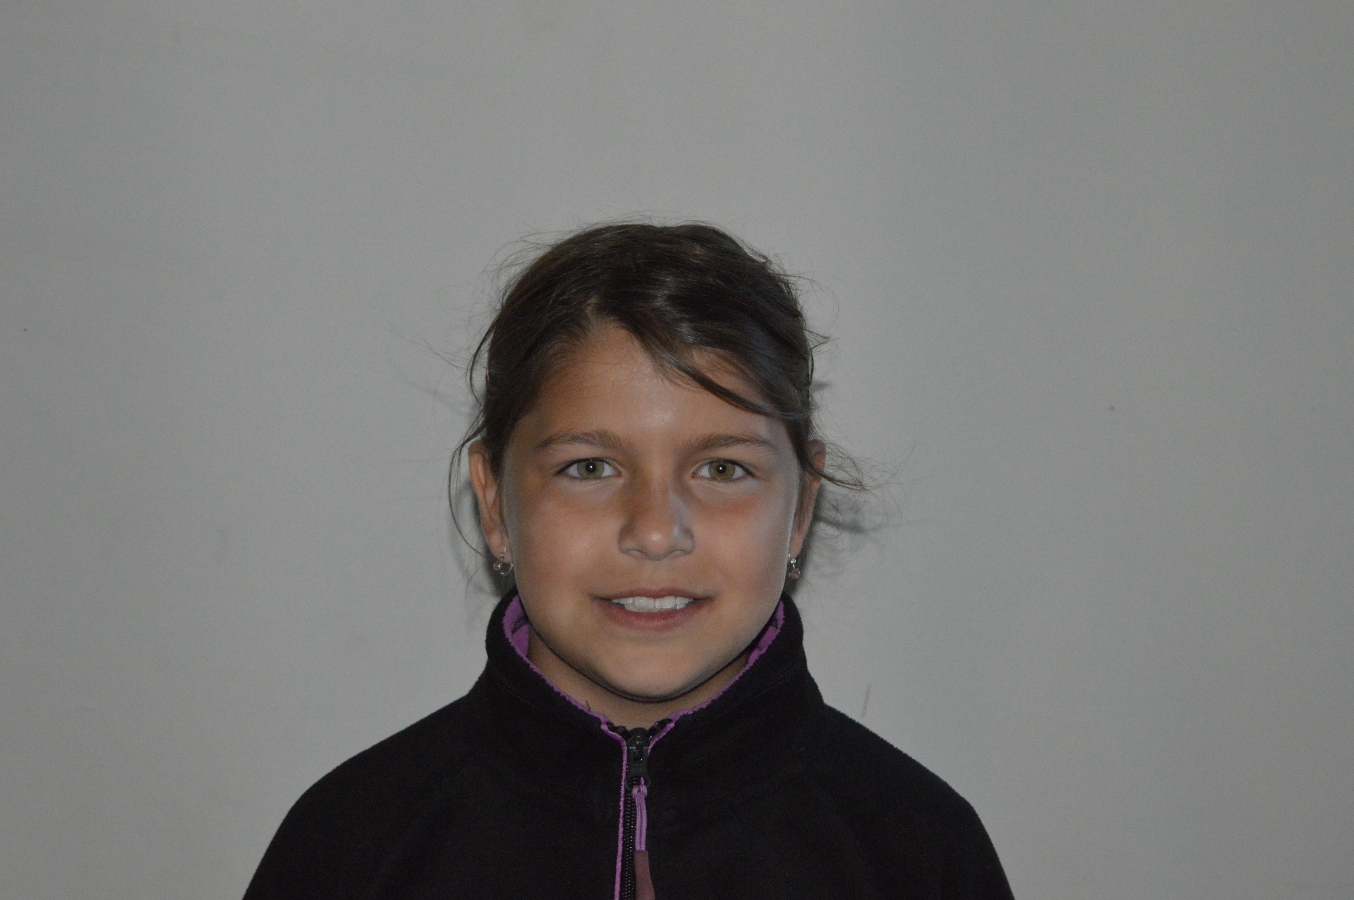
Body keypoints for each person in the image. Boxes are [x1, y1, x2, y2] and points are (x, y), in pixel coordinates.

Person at [243, 223, 1014, 899]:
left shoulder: (918, 850)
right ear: (494, 502)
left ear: (802, 508)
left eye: (722, 469)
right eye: (589, 467)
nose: (654, 532)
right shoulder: (352, 844)